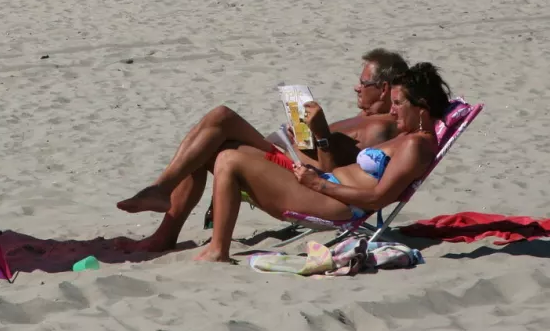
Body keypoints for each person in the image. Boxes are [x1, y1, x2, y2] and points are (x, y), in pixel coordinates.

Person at [115, 50, 410, 252]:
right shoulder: (368, 120)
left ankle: (163, 204)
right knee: (213, 129)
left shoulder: (380, 129)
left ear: (383, 88)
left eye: (363, 83)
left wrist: (319, 132)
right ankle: (163, 211)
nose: (357, 88)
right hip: (291, 158)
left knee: (221, 119)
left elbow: (332, 175)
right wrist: (302, 132)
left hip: (297, 176)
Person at [193, 62, 453, 263]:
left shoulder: (415, 146)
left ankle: (218, 250)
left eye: (398, 104)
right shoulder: (409, 137)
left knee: (229, 159)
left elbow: (376, 198)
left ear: (422, 107)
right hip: (326, 186)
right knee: (224, 148)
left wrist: (317, 184)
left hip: (335, 203)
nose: (392, 110)